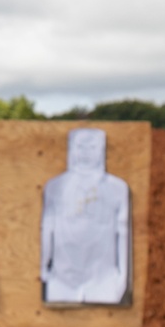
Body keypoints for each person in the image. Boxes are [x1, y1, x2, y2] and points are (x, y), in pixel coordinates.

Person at [40, 127, 130, 304]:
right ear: (72, 148)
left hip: (103, 280)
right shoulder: (55, 186)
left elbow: (123, 234)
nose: (85, 153)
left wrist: (123, 276)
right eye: (80, 147)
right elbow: (47, 229)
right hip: (62, 281)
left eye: (92, 147)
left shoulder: (117, 188)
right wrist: (43, 265)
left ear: (101, 149)